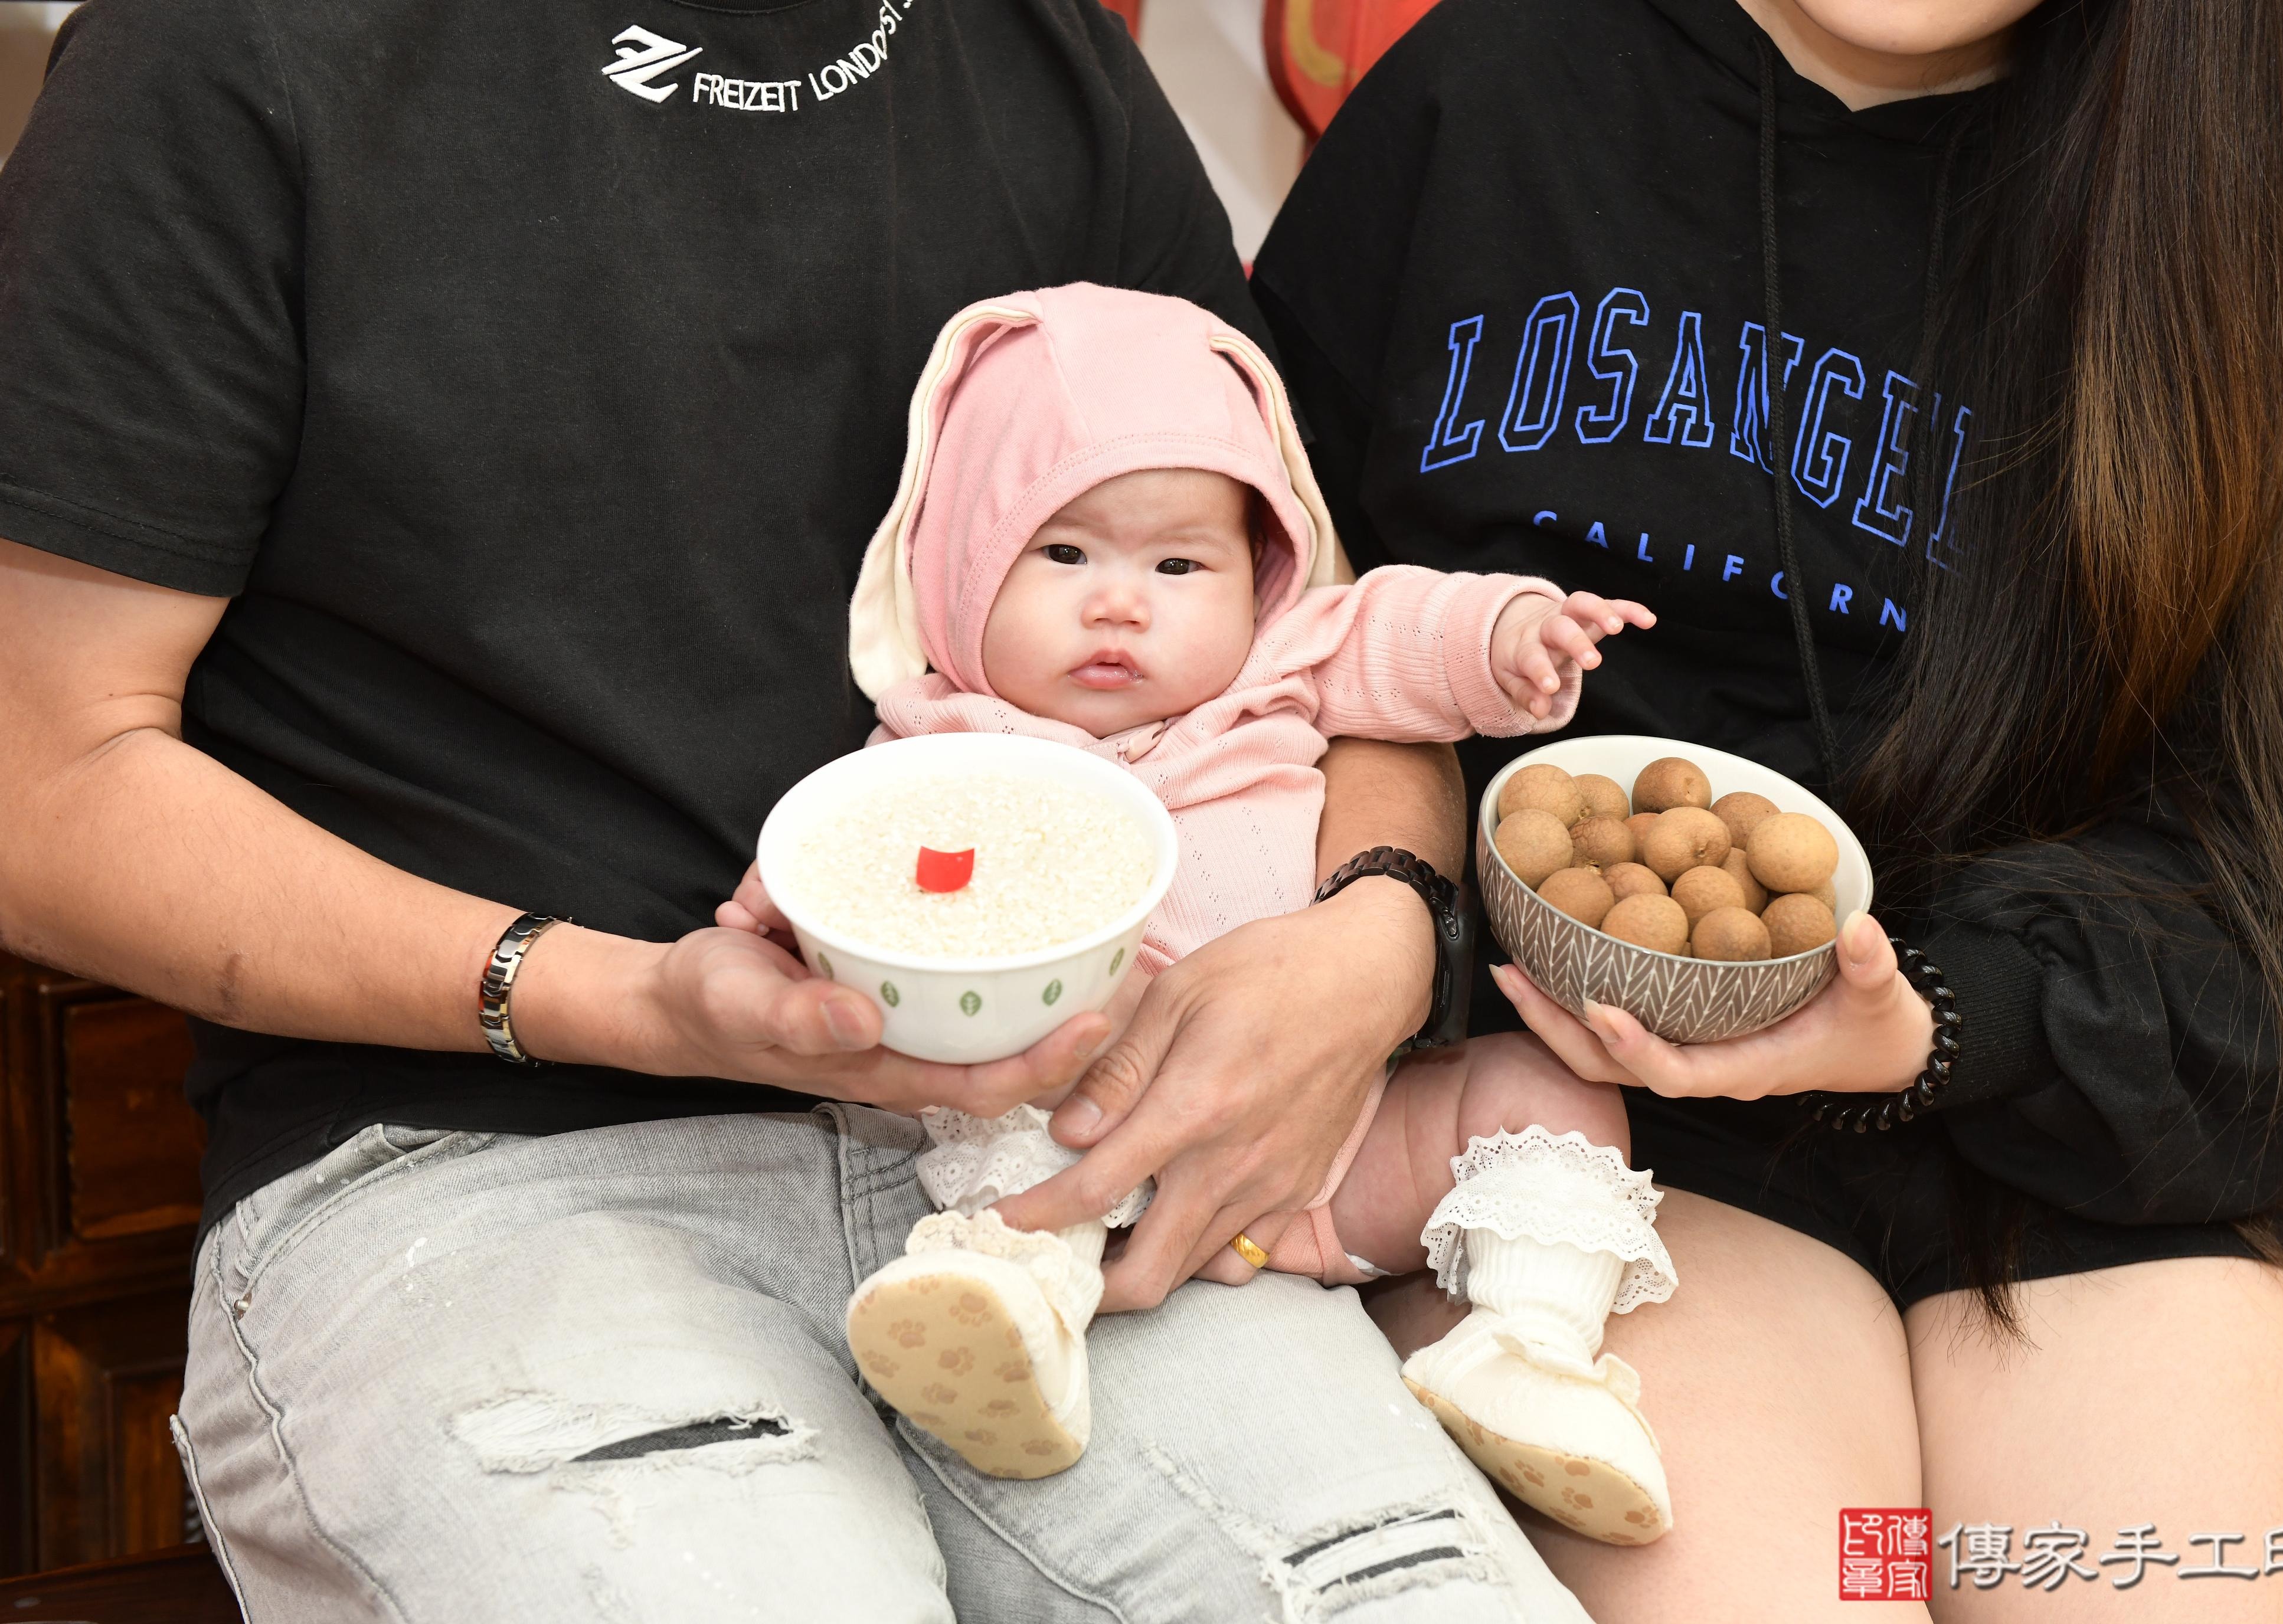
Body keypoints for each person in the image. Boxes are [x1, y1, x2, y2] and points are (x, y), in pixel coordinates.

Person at [0, 3, 1598, 1620]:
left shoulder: (1044, 58)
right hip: (476, 1162)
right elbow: (38, 776)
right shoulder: (232, 50)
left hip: (1071, 1142)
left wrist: (1381, 925)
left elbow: (1318, 638)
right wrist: (631, 998)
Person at [1248, 0, 2283, 1618]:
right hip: (1611, 1140)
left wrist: (1928, 1023)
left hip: (2088, 1130)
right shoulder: (1490, 91)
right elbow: (1250, 644)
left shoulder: (2231, 199)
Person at [750, 281, 1677, 1540]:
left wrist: (1513, 631)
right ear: (958, 568)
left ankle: (1527, 1347)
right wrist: (764, 929)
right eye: (1062, 553)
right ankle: (1021, 1303)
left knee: (1551, 1095)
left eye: (1180, 563)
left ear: (1259, 579)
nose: (1121, 602)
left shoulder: (1278, 667)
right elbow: (837, 856)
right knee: (1016, 1118)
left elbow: (1406, 624)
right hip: (1095, 1124)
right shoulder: (946, 737)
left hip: (1341, 1142)